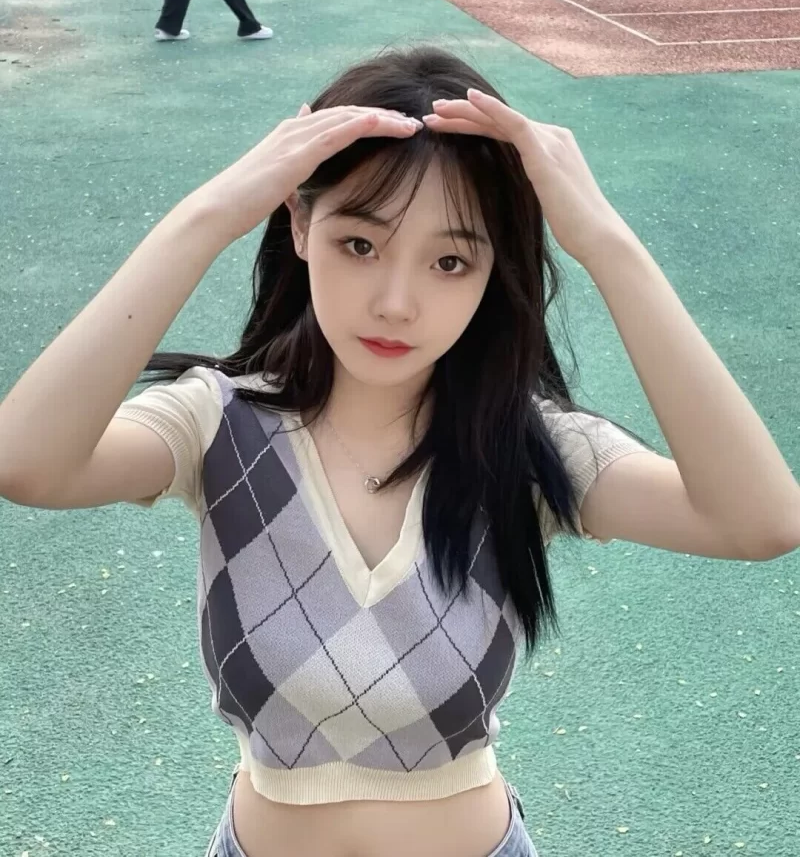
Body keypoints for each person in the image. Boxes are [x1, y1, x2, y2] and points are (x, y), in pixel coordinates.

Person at [1, 47, 798, 857]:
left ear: (491, 272)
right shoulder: (216, 424)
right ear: (300, 224)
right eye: (360, 243)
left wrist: (605, 242)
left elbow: (759, 520)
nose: (395, 303)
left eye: (450, 261)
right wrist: (208, 215)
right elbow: (27, 460)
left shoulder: (523, 447)